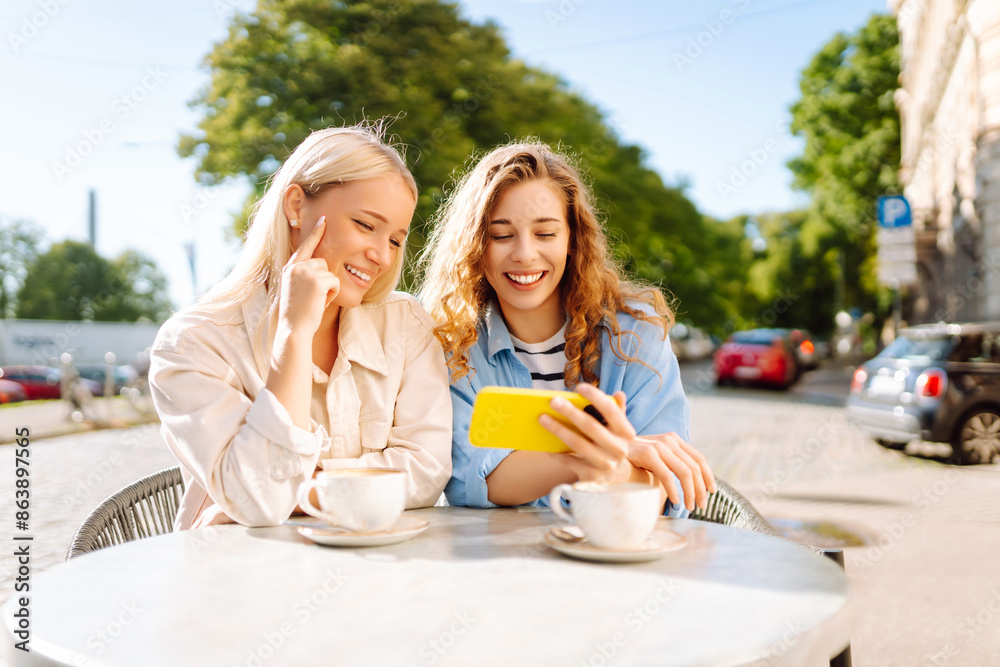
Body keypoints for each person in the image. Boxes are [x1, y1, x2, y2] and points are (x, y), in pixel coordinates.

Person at [150, 125, 452, 530]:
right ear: (295, 205)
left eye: (396, 240)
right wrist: (294, 333)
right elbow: (258, 501)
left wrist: (297, 492)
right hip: (242, 579)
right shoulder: (192, 342)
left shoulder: (406, 324)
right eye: (365, 225)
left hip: (377, 574)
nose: (381, 255)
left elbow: (427, 470)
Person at [418, 141, 714, 516]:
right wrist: (594, 458)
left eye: (545, 234)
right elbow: (469, 480)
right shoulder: (453, 345)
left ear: (573, 240)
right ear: (475, 245)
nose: (525, 253)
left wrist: (618, 465)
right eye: (501, 234)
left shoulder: (635, 334)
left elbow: (662, 490)